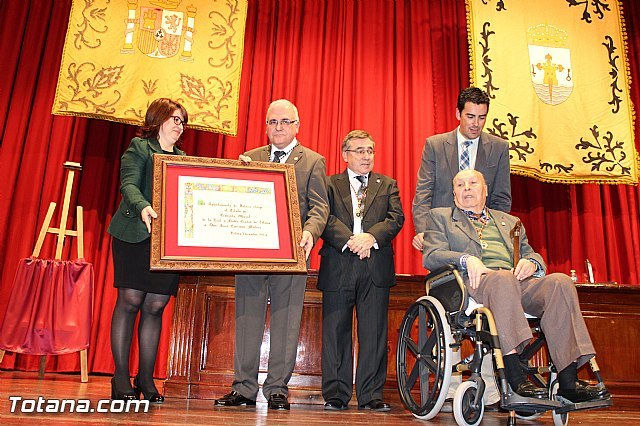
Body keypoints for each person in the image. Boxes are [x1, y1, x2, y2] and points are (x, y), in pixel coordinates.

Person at [422, 169, 611, 404]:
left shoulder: (510, 221)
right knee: (503, 279)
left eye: (473, 183)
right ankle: (515, 375)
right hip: (475, 282)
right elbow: (432, 255)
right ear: (454, 193)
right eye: (460, 185)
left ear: (485, 190)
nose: (467, 188)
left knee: (560, 282)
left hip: (517, 283)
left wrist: (531, 263)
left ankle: (568, 381)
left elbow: (532, 254)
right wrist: (465, 258)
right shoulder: (441, 217)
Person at [214, 99, 329, 410]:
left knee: (286, 322)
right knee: (247, 318)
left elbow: (320, 207)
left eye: (285, 122)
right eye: (273, 122)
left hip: (292, 255)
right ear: (265, 126)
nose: (279, 127)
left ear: (297, 126)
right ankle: (243, 389)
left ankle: (277, 388)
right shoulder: (249, 159)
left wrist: (310, 231)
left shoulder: (314, 161)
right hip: (251, 252)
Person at [107, 98, 188, 402]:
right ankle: (120, 378)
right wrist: (143, 207)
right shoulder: (139, 148)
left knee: (155, 306)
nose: (179, 126)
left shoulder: (184, 158)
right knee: (130, 301)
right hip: (134, 236)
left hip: (166, 244)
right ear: (158, 119)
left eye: (182, 121)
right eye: (174, 119)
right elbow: (128, 185)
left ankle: (145, 378)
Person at [317, 130, 404, 412]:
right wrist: (351, 241)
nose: (367, 156)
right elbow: (323, 216)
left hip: (375, 264)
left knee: (374, 333)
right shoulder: (329, 184)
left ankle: (370, 395)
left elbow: (396, 218)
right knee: (335, 332)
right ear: (345, 155)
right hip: (339, 262)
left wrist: (370, 238)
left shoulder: (387, 184)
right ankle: (336, 395)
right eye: (360, 150)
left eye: (370, 150)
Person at [412, 86, 511, 252]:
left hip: (484, 239)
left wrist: (494, 233)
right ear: (458, 114)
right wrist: (424, 231)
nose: (476, 124)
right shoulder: (435, 145)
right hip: (443, 236)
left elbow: (502, 198)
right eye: (470, 116)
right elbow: (423, 193)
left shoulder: (499, 148)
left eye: (481, 118)